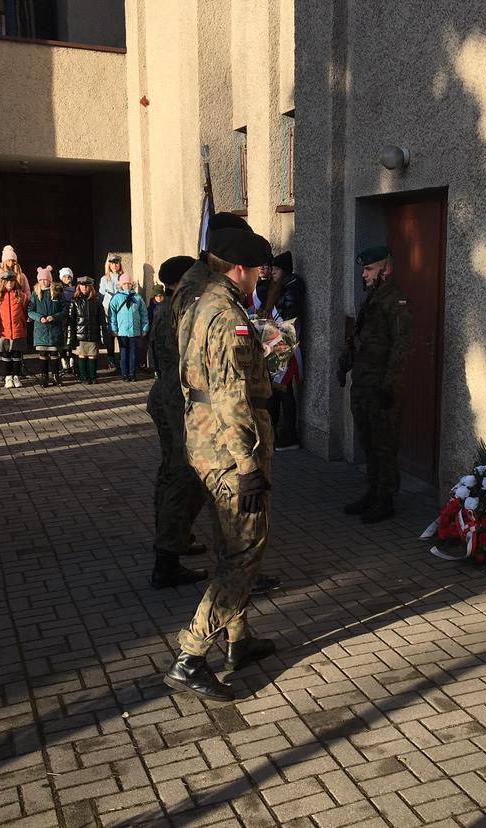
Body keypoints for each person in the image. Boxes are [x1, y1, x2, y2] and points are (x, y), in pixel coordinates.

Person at [163, 226, 276, 702]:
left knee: (232, 542)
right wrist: (248, 465)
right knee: (245, 551)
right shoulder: (227, 314)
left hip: (203, 440)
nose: (261, 280)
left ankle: (238, 639)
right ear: (241, 269)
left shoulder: (197, 298)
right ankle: (191, 655)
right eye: (258, 272)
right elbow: (231, 397)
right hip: (228, 449)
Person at [340, 244, 414, 524]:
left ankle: (385, 499)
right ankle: (372, 492)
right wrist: (344, 363)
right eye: (363, 269)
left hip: (382, 387)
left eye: (369, 269)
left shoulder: (396, 301)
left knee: (384, 445)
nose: (364, 274)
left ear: (387, 269)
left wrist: (389, 385)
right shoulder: (370, 299)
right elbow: (358, 339)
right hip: (363, 384)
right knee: (368, 442)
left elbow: (402, 347)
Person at [146, 255, 208, 589]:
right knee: (182, 477)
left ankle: (173, 539)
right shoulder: (179, 312)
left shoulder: (167, 308)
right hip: (178, 401)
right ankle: (166, 560)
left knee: (171, 472)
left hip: (166, 396)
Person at [255, 251, 305, 450]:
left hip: (284, 343)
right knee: (273, 391)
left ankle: (290, 435)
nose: (272, 272)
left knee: (284, 391)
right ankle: (274, 430)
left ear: (284, 271)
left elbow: (289, 318)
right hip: (272, 342)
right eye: (272, 268)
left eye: (276, 269)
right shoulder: (276, 286)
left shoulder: (291, 288)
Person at [28, 266, 66, 387]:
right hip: (41, 330)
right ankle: (44, 377)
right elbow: (30, 311)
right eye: (41, 280)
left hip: (54, 329)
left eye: (46, 279)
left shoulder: (57, 293)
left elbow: (65, 310)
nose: (44, 282)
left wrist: (54, 317)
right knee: (43, 354)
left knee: (54, 354)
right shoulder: (35, 294)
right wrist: (40, 318)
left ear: (50, 280)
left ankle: (56, 376)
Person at [108, 274, 149, 381]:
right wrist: (114, 329)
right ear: (121, 285)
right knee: (124, 353)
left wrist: (144, 328)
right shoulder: (116, 298)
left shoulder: (137, 297)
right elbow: (112, 314)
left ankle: (132, 373)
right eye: (125, 283)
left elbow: (144, 313)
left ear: (132, 284)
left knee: (133, 353)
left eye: (129, 283)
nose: (127, 285)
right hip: (122, 331)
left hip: (135, 330)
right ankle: (124, 373)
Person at [67, 276, 107, 384]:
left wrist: (103, 335)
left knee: (92, 354)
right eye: (82, 285)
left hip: (93, 333)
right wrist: (70, 338)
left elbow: (101, 319)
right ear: (79, 287)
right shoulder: (74, 301)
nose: (84, 288)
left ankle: (93, 376)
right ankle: (84, 377)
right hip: (80, 334)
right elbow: (71, 321)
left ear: (90, 287)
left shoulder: (96, 301)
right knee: (82, 354)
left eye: (86, 286)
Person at [0, 269, 27, 388]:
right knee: (6, 354)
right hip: (4, 330)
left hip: (18, 329)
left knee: (17, 354)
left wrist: (23, 322)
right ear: (2, 282)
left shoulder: (21, 295)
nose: (9, 284)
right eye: (7, 282)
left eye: (12, 282)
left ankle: (16, 376)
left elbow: (25, 311)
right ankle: (8, 377)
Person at [99, 254, 123, 370]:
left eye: (116, 263)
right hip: (108, 310)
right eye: (112, 263)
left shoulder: (123, 277)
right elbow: (102, 294)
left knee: (122, 336)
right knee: (110, 338)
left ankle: (123, 361)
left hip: (121, 310)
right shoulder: (104, 279)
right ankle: (111, 361)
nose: (114, 265)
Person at [58, 267, 76, 374]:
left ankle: (72, 361)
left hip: (72, 317)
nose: (67, 279)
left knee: (71, 340)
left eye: (69, 277)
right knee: (62, 340)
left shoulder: (75, 289)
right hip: (62, 318)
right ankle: (64, 361)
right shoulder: (58, 289)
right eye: (65, 277)